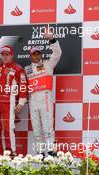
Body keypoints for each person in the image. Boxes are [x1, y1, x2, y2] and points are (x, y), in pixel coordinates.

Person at [24, 28, 62, 156]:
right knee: (36, 129)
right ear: (30, 56)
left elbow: (57, 53)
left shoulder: (48, 64)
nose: (36, 56)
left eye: (38, 53)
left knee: (47, 126)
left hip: (45, 96)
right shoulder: (26, 69)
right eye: (34, 54)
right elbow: (22, 84)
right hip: (32, 98)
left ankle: (52, 152)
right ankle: (40, 154)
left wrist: (52, 39)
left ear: (40, 54)